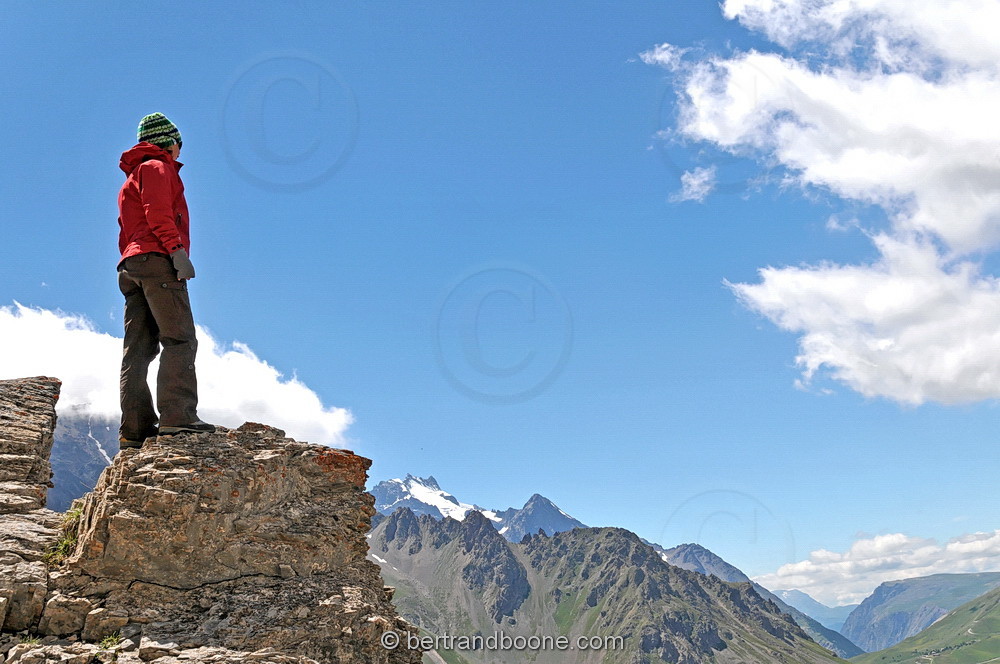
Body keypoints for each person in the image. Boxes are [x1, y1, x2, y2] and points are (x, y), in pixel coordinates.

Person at [116, 112, 214, 448]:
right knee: (180, 339)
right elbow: (156, 212)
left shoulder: (132, 176)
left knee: (138, 350)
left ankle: (134, 430)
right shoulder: (157, 168)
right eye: (178, 144)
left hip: (131, 265)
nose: (180, 151)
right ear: (169, 143)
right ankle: (178, 417)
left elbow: (126, 227)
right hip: (157, 261)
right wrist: (175, 251)